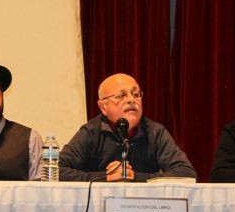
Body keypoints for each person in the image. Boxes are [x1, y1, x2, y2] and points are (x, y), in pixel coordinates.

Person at [59, 73, 196, 182]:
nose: (131, 100)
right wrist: (105, 177)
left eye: (136, 94)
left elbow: (186, 173)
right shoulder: (92, 132)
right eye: (122, 95)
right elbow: (57, 170)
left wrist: (135, 177)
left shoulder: (155, 132)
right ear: (103, 107)